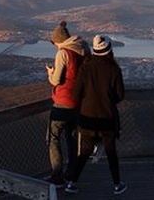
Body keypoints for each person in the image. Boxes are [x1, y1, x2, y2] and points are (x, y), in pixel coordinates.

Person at [64, 34, 127, 195]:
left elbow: (76, 94)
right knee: (111, 151)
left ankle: (71, 182)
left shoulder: (86, 67)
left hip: (87, 118)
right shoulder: (113, 69)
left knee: (84, 152)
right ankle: (117, 184)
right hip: (107, 117)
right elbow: (120, 95)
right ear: (110, 50)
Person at [45, 21, 89, 188]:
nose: (56, 47)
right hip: (79, 103)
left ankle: (57, 175)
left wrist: (50, 73)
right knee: (71, 137)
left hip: (63, 102)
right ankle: (71, 173)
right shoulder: (84, 49)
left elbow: (57, 80)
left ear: (58, 41)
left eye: (55, 44)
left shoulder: (63, 53)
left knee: (53, 138)